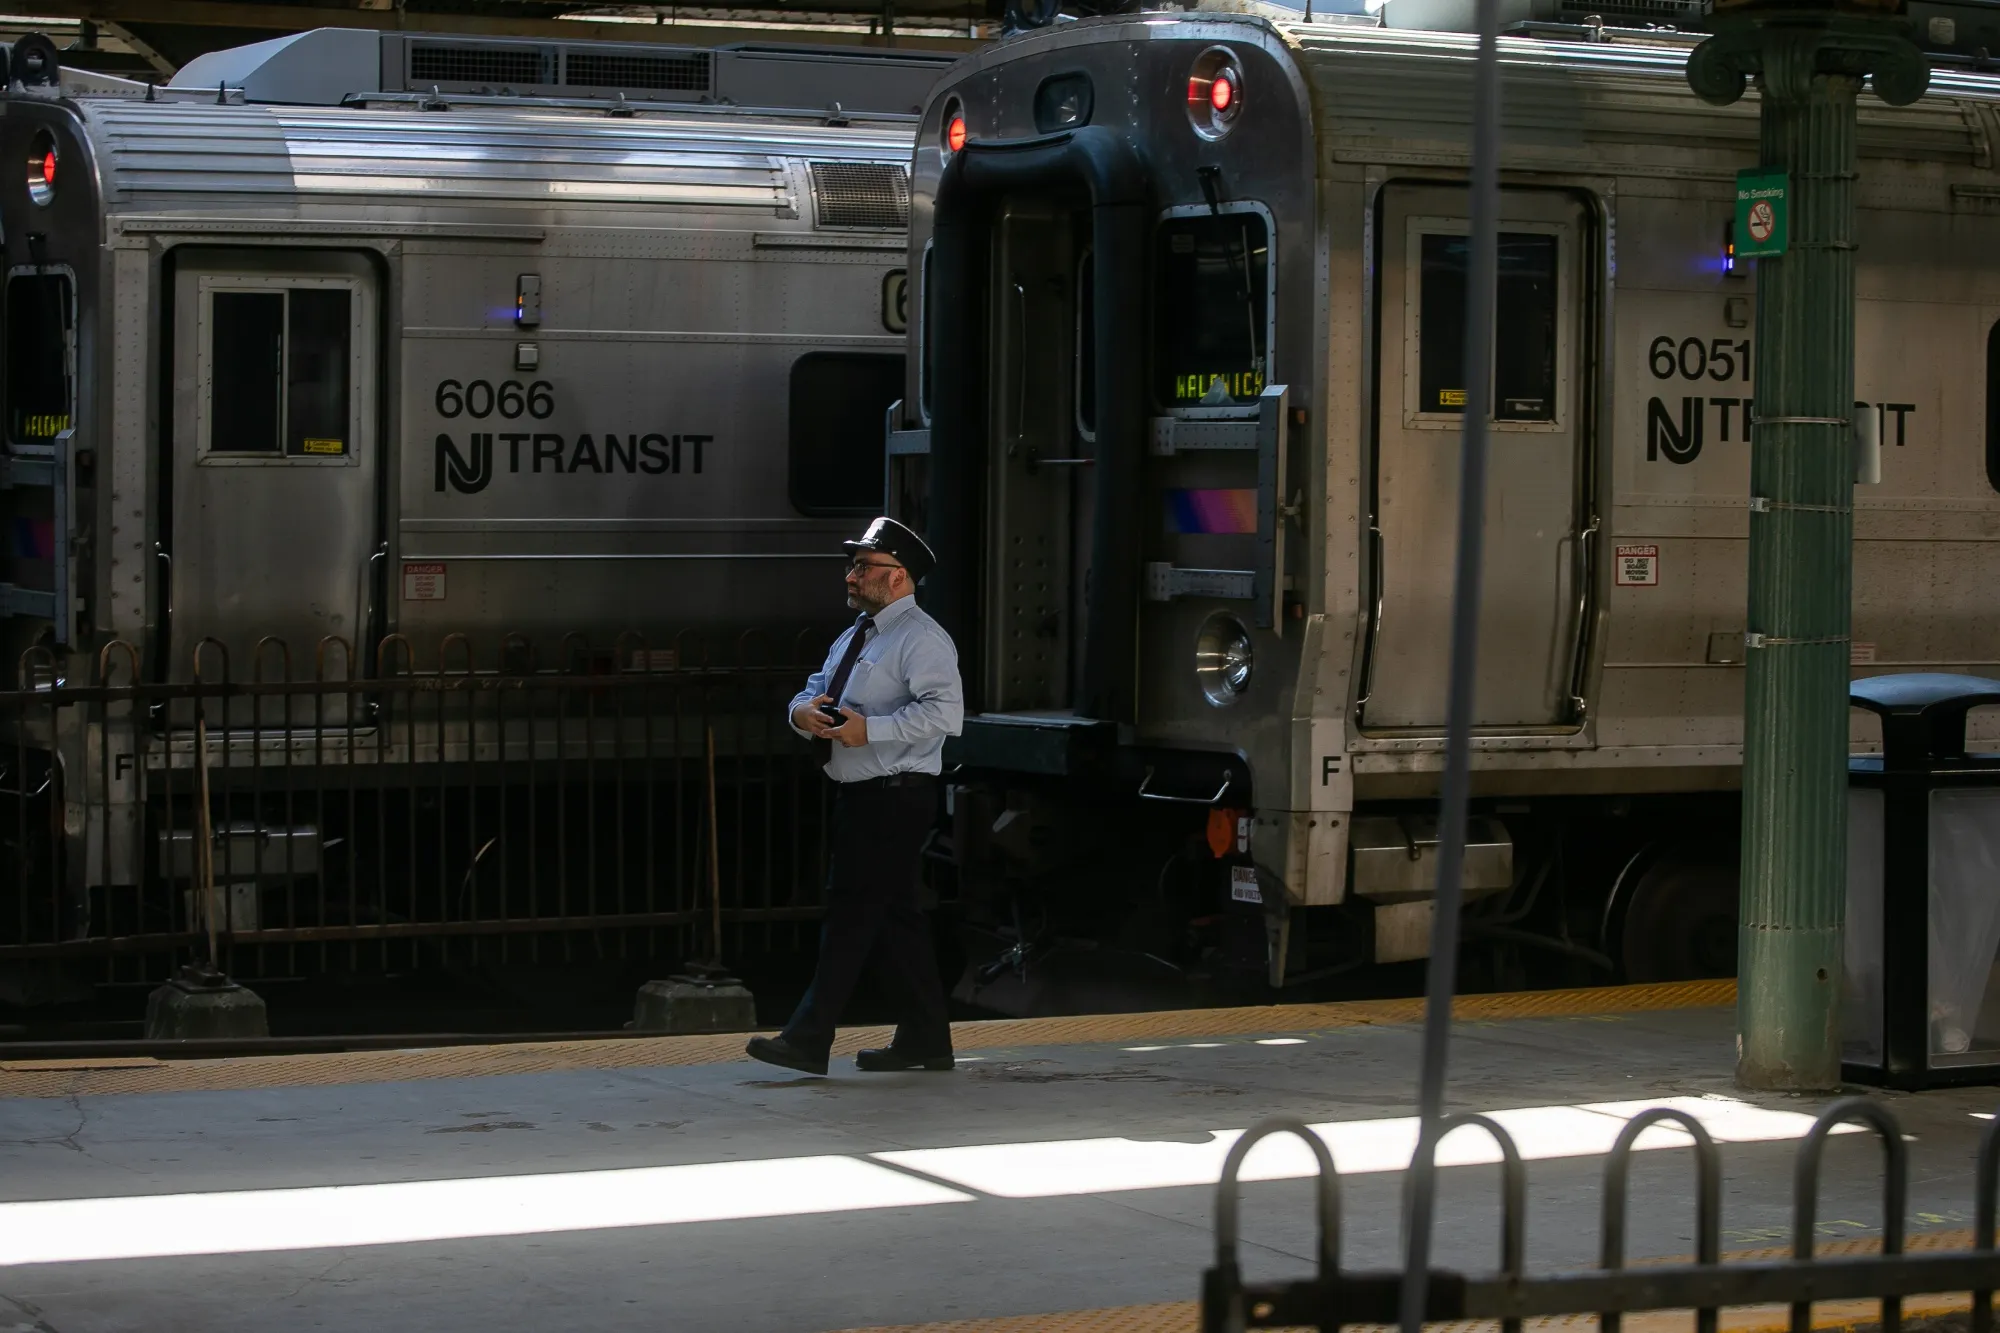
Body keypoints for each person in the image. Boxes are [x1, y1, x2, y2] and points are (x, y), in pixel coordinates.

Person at [745, 516, 963, 1077]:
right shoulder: (860, 633)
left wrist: (871, 730)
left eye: (864, 566)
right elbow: (816, 687)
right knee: (896, 920)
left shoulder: (922, 638)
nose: (851, 575)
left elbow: (946, 714)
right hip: (867, 796)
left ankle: (809, 1037)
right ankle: (926, 1040)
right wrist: (801, 713)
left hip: (893, 796)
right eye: (853, 565)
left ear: (899, 577)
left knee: (851, 914)